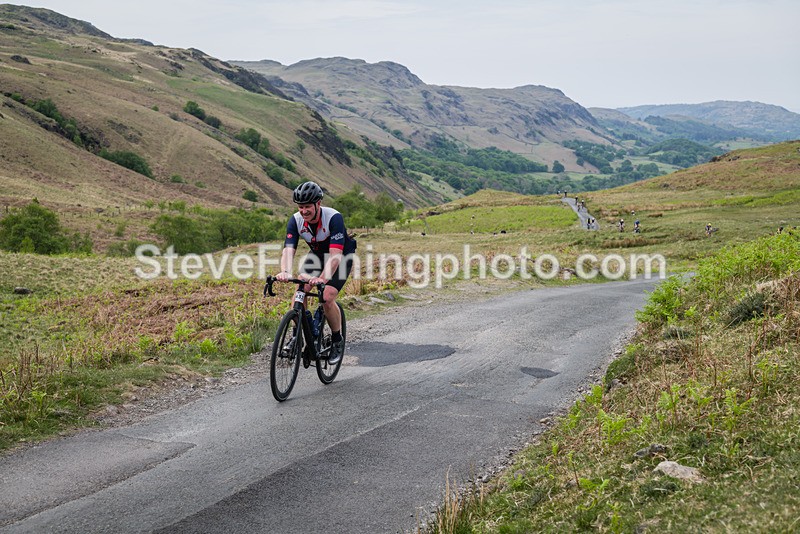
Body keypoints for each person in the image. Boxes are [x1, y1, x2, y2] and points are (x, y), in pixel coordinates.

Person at [276, 181, 357, 364]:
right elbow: (289, 250)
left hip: (341, 256)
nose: (304, 211)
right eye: (300, 207)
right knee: (300, 290)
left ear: (318, 204)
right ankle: (297, 335)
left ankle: (337, 340)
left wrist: (321, 279)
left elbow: (335, 256)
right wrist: (285, 271)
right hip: (318, 256)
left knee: (327, 297)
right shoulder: (295, 220)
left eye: (307, 207)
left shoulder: (333, 218)